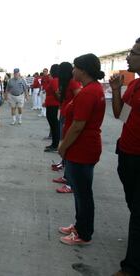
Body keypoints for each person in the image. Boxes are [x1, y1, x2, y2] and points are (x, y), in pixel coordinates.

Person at [58, 53, 106, 246]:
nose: (72, 71)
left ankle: (83, 233)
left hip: (82, 148)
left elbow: (78, 125)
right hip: (85, 147)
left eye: (75, 67)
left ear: (83, 70)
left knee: (83, 193)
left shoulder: (88, 92)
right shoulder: (93, 89)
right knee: (80, 191)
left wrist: (63, 146)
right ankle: (80, 226)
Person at [110, 37, 140, 276]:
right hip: (127, 154)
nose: (129, 57)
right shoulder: (134, 86)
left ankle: (130, 268)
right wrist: (116, 90)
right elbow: (121, 116)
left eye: (134, 53)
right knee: (133, 205)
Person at [54, 61, 81, 194]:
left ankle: (70, 182)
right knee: (64, 143)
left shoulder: (73, 83)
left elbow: (79, 97)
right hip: (64, 114)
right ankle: (66, 175)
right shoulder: (65, 83)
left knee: (66, 146)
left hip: (69, 117)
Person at [44, 64, 60, 152]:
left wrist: (60, 102)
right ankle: (54, 144)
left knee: (54, 125)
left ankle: (55, 145)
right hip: (51, 104)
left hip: (53, 105)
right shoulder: (55, 80)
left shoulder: (54, 81)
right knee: (53, 125)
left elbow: (57, 93)